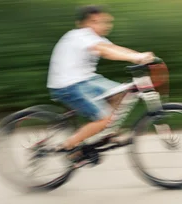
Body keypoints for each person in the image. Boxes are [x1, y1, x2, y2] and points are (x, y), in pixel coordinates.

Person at [46, 5, 155, 161]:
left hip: (85, 79)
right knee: (104, 119)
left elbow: (114, 49)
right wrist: (136, 58)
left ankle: (106, 133)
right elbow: (106, 51)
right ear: (89, 22)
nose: (106, 25)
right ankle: (71, 147)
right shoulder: (80, 35)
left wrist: (139, 55)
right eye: (101, 22)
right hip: (68, 85)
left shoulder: (96, 39)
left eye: (106, 22)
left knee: (122, 91)